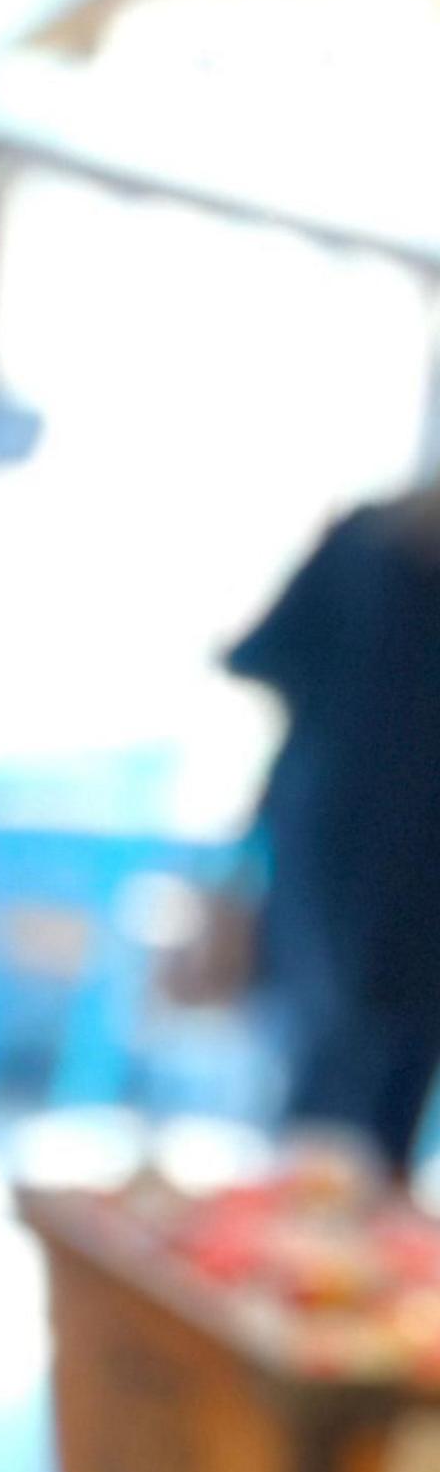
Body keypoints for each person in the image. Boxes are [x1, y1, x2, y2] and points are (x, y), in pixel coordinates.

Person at [221, 488, 440, 1175]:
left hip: (335, 871)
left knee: (330, 1105)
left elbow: (261, 658)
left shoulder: (366, 542)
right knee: (362, 1113)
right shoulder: (368, 545)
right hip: (366, 887)